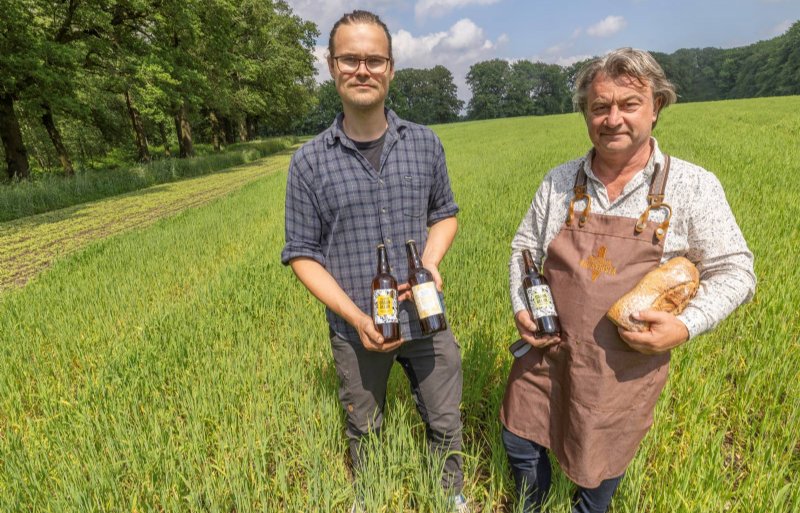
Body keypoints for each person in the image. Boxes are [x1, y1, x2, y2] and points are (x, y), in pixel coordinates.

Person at [500, 48, 755, 513]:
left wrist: (686, 325)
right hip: (545, 358)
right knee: (520, 442)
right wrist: (522, 305)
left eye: (628, 104)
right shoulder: (559, 182)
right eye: (600, 106)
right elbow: (524, 251)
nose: (612, 118)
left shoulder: (692, 187)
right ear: (585, 113)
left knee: (599, 474)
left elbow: (735, 269)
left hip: (619, 375)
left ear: (656, 106)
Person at [281, 10, 468, 513]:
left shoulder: (425, 144)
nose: (362, 69)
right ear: (331, 66)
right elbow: (302, 253)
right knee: (364, 427)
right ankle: (370, 497)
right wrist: (355, 317)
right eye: (350, 59)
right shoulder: (309, 161)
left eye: (374, 59)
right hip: (356, 328)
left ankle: (450, 496)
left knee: (445, 420)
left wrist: (430, 259)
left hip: (426, 319)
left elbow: (445, 214)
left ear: (390, 67)